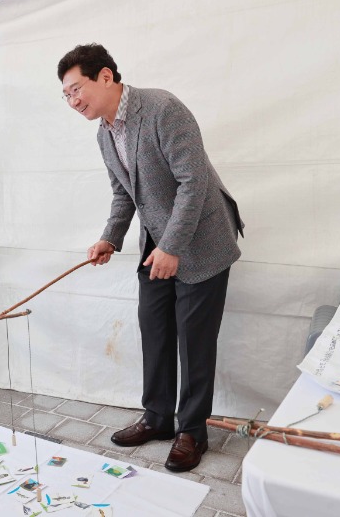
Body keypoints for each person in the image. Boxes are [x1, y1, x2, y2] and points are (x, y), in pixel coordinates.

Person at [57, 43, 244, 472]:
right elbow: (124, 192)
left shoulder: (162, 109)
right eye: (65, 95)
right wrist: (110, 237)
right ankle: (158, 419)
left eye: (76, 89)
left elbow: (193, 182)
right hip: (155, 244)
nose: (73, 101)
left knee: (194, 342)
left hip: (201, 240)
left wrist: (173, 246)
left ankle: (192, 431)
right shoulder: (104, 133)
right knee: (155, 330)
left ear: (106, 76)